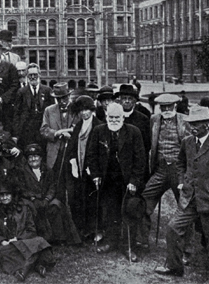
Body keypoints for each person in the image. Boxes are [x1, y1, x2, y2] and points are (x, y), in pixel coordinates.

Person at [155, 106, 209, 282]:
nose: (192, 127)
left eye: (196, 124)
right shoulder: (187, 142)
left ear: (207, 125)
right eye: (190, 124)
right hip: (190, 199)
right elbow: (180, 163)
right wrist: (182, 180)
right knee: (173, 228)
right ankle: (174, 267)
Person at [86, 102, 146, 261]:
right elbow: (91, 155)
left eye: (117, 117)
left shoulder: (134, 132)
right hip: (107, 179)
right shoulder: (98, 131)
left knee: (128, 212)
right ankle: (111, 242)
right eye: (110, 117)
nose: (113, 120)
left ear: (123, 117)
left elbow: (140, 160)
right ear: (106, 117)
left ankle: (128, 247)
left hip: (127, 181)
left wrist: (134, 180)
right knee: (110, 212)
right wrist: (96, 175)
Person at [140, 93, 191, 249]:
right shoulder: (154, 120)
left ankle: (185, 249)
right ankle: (141, 241)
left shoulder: (185, 121)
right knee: (144, 200)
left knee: (185, 207)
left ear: (175, 106)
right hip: (161, 169)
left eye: (169, 106)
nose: (166, 110)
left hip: (179, 171)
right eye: (163, 107)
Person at [0, 185, 56, 281]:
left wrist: (18, 238)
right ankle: (36, 264)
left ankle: (25, 269)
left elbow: (31, 230)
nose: (4, 198)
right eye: (1, 195)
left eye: (7, 195)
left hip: (24, 241)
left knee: (40, 241)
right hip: (8, 245)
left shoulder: (24, 209)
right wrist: (2, 241)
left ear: (12, 195)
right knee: (1, 251)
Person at [19, 144, 79, 245]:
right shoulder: (22, 171)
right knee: (29, 208)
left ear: (41, 158)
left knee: (56, 206)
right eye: (30, 157)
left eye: (36, 156)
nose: (33, 159)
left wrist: (47, 199)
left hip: (45, 199)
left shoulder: (48, 170)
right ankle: (37, 238)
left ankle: (59, 238)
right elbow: (21, 188)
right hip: (30, 200)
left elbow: (53, 186)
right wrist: (33, 198)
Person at [64, 95, 103, 240]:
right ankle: (83, 229)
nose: (84, 113)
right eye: (81, 110)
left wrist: (93, 168)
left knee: (93, 200)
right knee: (79, 198)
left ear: (91, 109)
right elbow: (73, 146)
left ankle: (96, 229)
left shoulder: (98, 125)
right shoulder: (78, 126)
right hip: (79, 167)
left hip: (92, 168)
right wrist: (73, 161)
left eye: (87, 109)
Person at [12, 64, 54, 151]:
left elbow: (52, 112)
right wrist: (16, 134)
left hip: (43, 130)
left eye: (35, 74)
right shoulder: (22, 92)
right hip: (26, 131)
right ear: (27, 76)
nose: (33, 77)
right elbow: (16, 114)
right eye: (30, 75)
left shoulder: (47, 90)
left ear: (39, 75)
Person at [39, 83, 78, 171]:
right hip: (54, 155)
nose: (61, 101)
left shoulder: (77, 109)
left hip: (72, 153)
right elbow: (43, 130)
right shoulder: (49, 110)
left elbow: (81, 128)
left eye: (64, 98)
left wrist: (68, 132)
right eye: (58, 99)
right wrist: (56, 133)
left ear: (69, 96)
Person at [116, 84, 152, 159]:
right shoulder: (113, 117)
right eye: (124, 98)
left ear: (134, 101)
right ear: (119, 100)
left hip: (136, 160)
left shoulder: (143, 119)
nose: (127, 101)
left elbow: (147, 144)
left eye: (130, 98)